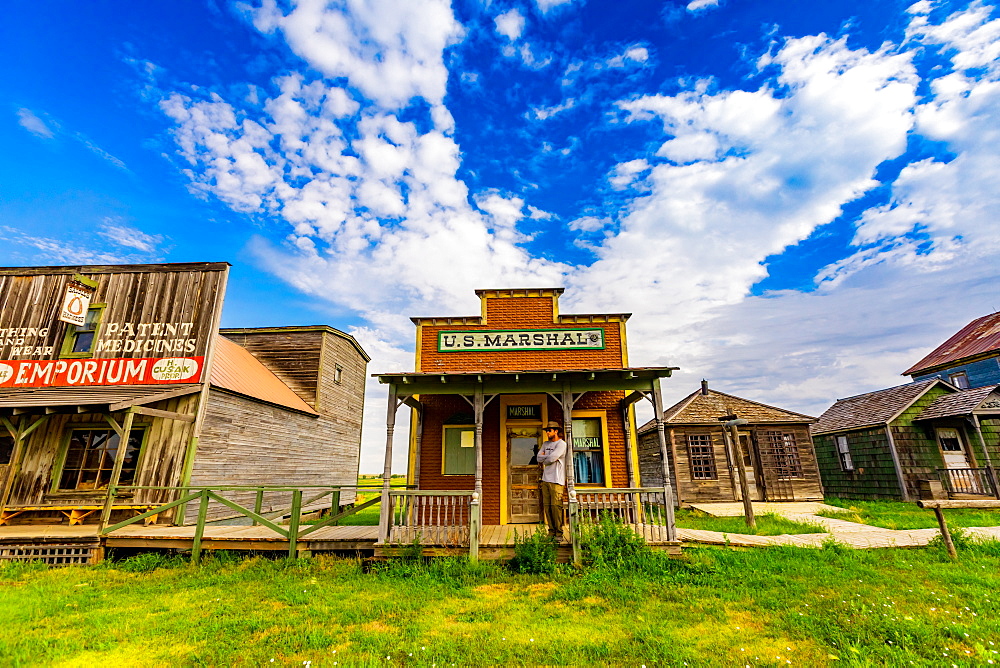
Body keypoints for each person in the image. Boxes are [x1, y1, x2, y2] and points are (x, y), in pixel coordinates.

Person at [536, 421, 567, 538]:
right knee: (547, 506)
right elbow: (539, 458)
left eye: (549, 430)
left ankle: (559, 533)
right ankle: (551, 531)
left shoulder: (561, 444)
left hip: (557, 480)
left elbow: (552, 458)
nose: (547, 432)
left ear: (556, 431)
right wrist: (547, 458)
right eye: (546, 430)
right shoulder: (545, 444)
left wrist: (547, 458)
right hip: (545, 479)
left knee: (556, 507)